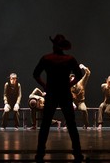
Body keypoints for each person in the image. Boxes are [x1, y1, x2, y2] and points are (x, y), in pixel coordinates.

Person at [33, 34, 84, 163]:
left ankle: (40, 153)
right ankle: (77, 153)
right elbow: (79, 74)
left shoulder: (47, 58)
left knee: (45, 124)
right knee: (71, 124)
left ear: (54, 45)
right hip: (64, 93)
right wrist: (69, 85)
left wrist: (45, 85)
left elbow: (35, 74)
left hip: (52, 93)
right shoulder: (69, 59)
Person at [69, 64, 91, 130]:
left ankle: (86, 125)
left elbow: (88, 73)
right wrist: (72, 103)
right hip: (73, 102)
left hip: (81, 102)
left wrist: (84, 67)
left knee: (84, 110)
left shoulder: (81, 82)